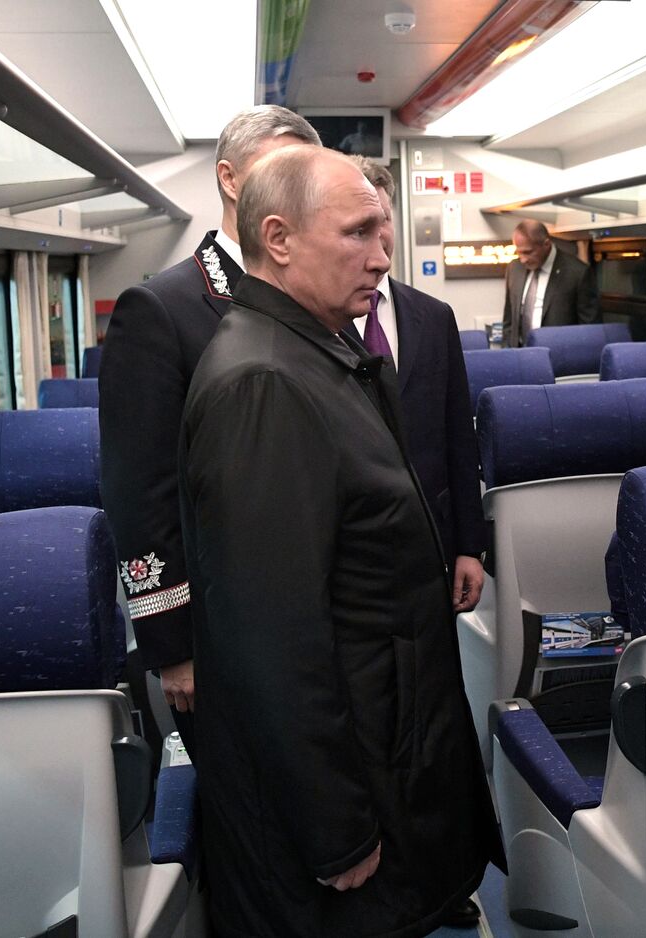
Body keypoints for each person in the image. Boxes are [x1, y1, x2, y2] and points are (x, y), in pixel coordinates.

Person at [178, 145, 498, 937]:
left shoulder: (317, 351)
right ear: (278, 239)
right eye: (358, 233)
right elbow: (271, 640)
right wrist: (336, 827)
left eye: (382, 234)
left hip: (381, 741)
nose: (382, 258)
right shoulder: (264, 383)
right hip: (344, 791)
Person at [98, 106, 320, 752]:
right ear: (229, 179)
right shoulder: (161, 309)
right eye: (280, 168)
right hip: (224, 628)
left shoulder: (317, 296)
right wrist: (173, 645)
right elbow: (140, 490)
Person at [350, 158, 486, 617]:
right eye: (361, 225)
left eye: (384, 219)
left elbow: (459, 439)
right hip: (352, 552)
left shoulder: (434, 316)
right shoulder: (312, 324)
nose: (378, 234)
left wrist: (470, 546)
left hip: (433, 538)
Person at [500, 219, 598, 347]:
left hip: (559, 353)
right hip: (519, 353)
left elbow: (589, 328)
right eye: (518, 252)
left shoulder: (577, 273)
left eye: (528, 252)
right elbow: (509, 318)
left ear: (546, 244)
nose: (523, 259)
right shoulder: (514, 268)